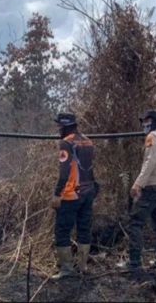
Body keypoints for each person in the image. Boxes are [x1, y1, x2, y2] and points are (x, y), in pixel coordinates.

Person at [119, 109, 156, 272]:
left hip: (152, 187)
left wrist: (137, 184)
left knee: (135, 222)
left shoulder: (153, 137)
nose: (143, 124)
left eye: (145, 121)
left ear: (153, 121)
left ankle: (134, 262)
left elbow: (150, 162)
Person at [51, 113, 97, 279]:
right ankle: (82, 266)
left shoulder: (66, 142)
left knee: (62, 230)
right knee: (84, 228)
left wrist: (57, 193)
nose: (58, 129)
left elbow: (64, 173)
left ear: (64, 126)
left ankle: (67, 270)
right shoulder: (88, 141)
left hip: (71, 194)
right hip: (88, 191)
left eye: (59, 126)